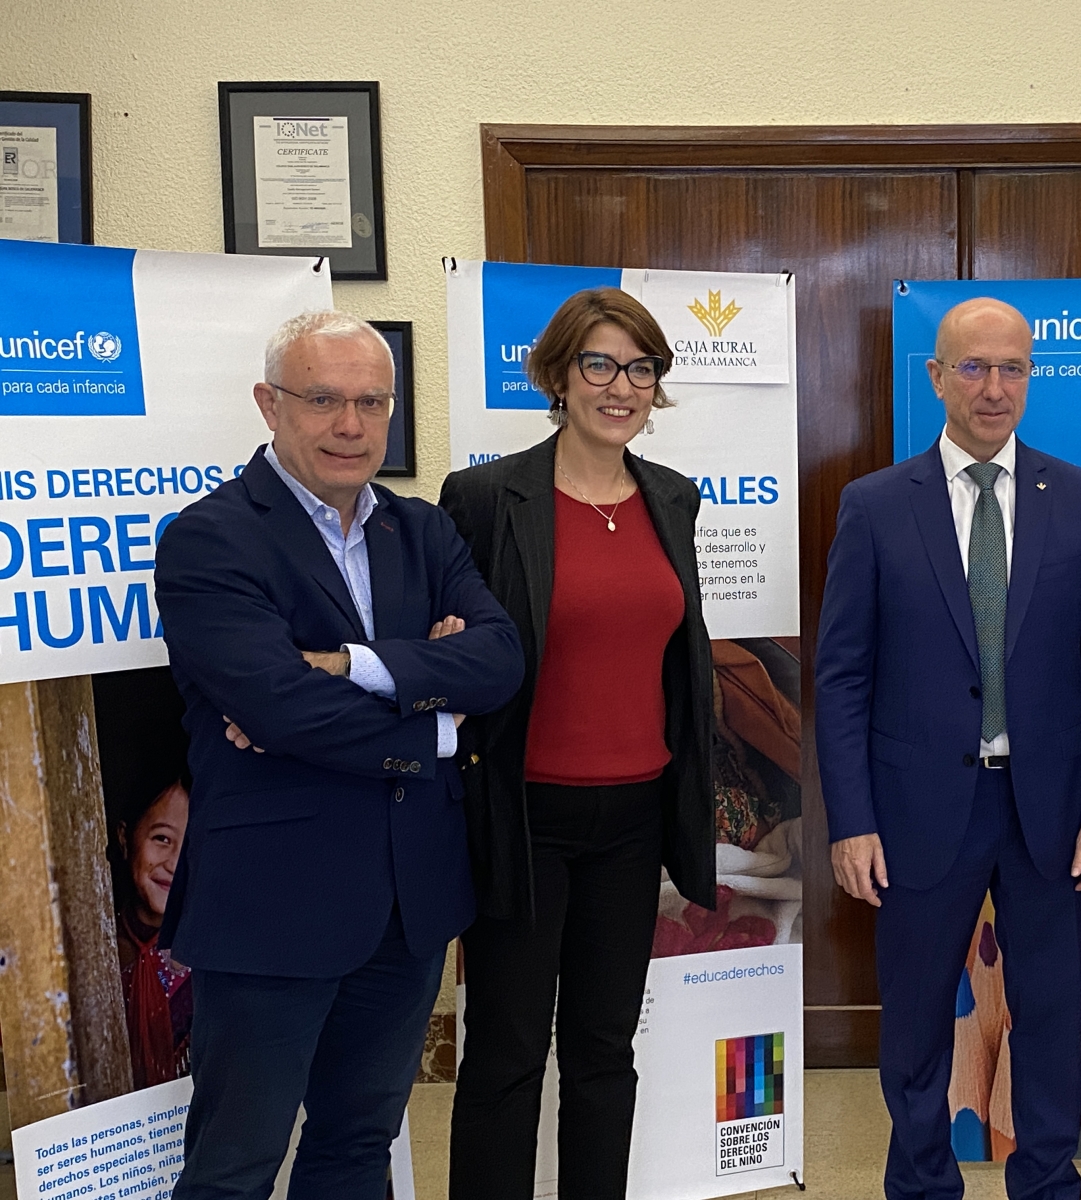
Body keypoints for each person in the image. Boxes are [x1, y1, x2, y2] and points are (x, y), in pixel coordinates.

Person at [153, 310, 524, 1199]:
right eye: (323, 400)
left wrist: (353, 667)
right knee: (234, 1166)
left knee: (358, 1148)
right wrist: (436, 721)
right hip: (273, 905)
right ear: (268, 405)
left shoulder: (423, 530)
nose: (350, 425)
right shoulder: (210, 537)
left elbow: (500, 659)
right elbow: (278, 707)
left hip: (408, 903)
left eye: (370, 401)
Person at [815, 297, 1081, 1200]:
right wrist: (853, 820)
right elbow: (841, 677)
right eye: (974, 368)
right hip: (916, 814)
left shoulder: (1076, 497)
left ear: (1031, 376)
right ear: (937, 377)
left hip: (1049, 814)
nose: (995, 389)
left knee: (1048, 1016)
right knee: (915, 1025)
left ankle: (1044, 1182)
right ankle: (920, 1184)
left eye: (1014, 369)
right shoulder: (876, 506)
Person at [439, 287, 716, 1200]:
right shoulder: (486, 498)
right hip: (525, 814)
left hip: (634, 819)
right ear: (558, 375)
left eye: (641, 367)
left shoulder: (673, 500)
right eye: (600, 364)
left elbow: (677, 660)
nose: (621, 386)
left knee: (605, 1051)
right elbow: (458, 647)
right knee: (510, 1051)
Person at [113, 775, 193, 1090]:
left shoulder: (210, 958)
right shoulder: (92, 948)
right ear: (124, 838)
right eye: (161, 838)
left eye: (191, 847)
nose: (174, 863)